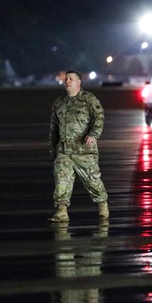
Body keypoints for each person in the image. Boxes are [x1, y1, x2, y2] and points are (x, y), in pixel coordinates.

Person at [50, 70, 109, 222]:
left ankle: (102, 205)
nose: (67, 81)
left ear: (78, 82)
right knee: (62, 180)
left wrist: (94, 135)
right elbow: (54, 128)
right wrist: (53, 148)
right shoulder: (59, 103)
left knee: (93, 181)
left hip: (84, 150)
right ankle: (62, 211)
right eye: (66, 79)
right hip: (64, 151)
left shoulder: (89, 100)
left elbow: (99, 119)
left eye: (71, 79)